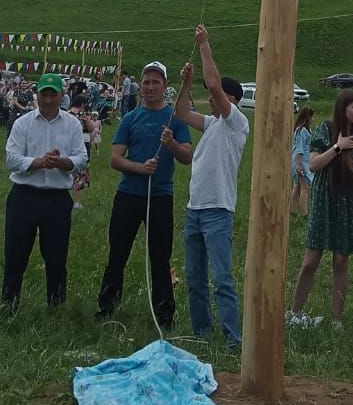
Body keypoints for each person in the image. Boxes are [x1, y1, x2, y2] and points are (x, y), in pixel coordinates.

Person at [97, 62, 193, 328]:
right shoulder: (130, 118)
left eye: (156, 82)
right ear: (141, 86)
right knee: (117, 253)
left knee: (160, 257)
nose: (150, 87)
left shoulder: (175, 119)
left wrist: (171, 143)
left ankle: (164, 315)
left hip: (160, 197)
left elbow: (187, 157)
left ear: (165, 87)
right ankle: (106, 307)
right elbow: (115, 159)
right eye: (146, 82)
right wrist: (139, 168)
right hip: (128, 195)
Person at [173, 26, 250, 348]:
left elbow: (215, 84)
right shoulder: (212, 123)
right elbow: (181, 112)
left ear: (229, 100)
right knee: (194, 278)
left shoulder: (236, 123)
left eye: (216, 96)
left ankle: (234, 339)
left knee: (222, 279)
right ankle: (203, 333)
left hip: (218, 210)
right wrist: (187, 83)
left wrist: (205, 46)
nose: (210, 98)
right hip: (195, 209)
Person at [290, 89, 353, 327]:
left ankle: (337, 320)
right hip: (325, 199)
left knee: (341, 261)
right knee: (311, 260)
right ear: (343, 108)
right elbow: (314, 164)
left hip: (349, 202)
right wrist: (337, 147)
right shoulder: (326, 129)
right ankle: (295, 313)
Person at [1, 73, 87, 310]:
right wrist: (39, 162)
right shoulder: (23, 123)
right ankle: (9, 303)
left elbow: (81, 158)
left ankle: (56, 306)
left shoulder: (72, 124)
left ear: (62, 96)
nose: (48, 100)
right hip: (24, 195)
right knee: (15, 254)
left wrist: (62, 163)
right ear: (37, 95)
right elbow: (11, 159)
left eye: (53, 94)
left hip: (57, 199)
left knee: (57, 256)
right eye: (44, 94)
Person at [291, 106, 315, 217]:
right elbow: (300, 148)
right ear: (307, 117)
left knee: (297, 186)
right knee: (305, 187)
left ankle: (293, 210)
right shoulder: (302, 131)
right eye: (312, 117)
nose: (313, 119)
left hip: (304, 160)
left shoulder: (305, 130)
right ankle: (305, 213)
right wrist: (300, 165)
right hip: (301, 161)